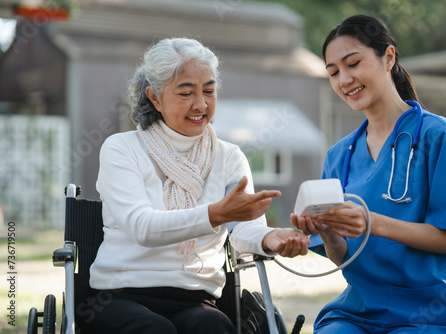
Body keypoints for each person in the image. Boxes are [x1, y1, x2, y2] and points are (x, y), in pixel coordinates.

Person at [87, 37, 310, 334]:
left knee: (211, 326)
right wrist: (215, 214)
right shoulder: (122, 148)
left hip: (196, 297)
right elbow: (141, 226)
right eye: (186, 92)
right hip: (121, 294)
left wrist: (272, 237)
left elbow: (242, 230)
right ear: (154, 97)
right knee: (154, 330)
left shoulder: (229, 156)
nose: (201, 104)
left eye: (208, 90)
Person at [291, 15, 446, 334]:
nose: (344, 80)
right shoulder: (340, 155)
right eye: (334, 72)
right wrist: (324, 229)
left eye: (353, 63)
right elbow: (342, 256)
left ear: (388, 57)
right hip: (358, 310)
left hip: (429, 312)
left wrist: (372, 222)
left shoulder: (440, 138)